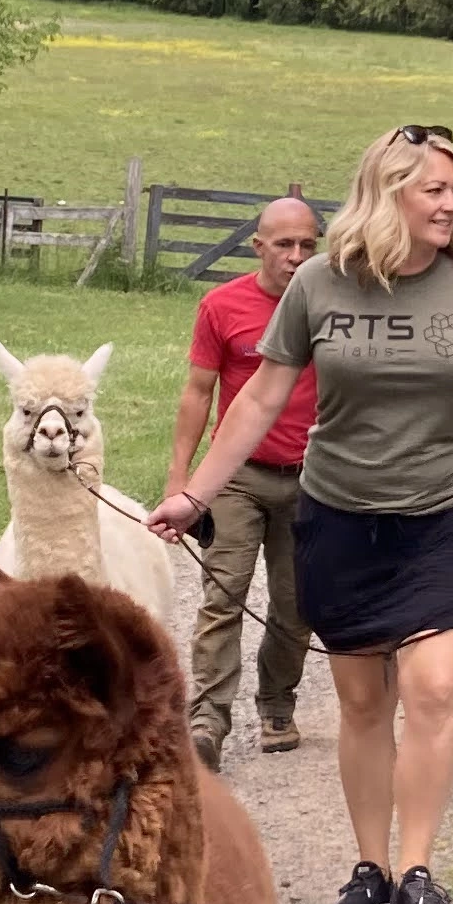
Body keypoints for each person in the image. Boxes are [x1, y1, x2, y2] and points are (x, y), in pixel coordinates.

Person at [148, 125, 453, 904]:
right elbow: (257, 398)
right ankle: (371, 867)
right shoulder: (319, 283)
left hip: (443, 518)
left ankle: (420, 872)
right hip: (341, 517)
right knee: (361, 704)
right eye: (438, 190)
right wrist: (194, 494)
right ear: (389, 192)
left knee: (432, 689)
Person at [167, 194, 324, 767]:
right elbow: (197, 393)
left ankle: (277, 704)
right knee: (223, 595)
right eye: (284, 244)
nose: (296, 256)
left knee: (295, 601)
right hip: (237, 478)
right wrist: (181, 483)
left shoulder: (330, 305)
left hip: (312, 479)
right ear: (258, 247)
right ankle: (207, 724)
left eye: (308, 245)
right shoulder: (222, 305)